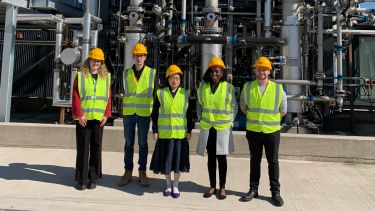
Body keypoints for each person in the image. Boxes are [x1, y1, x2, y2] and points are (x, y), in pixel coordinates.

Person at [239, 56, 287, 206]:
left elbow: (283, 111)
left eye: (264, 69)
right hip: (253, 131)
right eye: (259, 69)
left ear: (269, 71)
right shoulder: (247, 87)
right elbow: (243, 107)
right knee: (255, 161)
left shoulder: (278, 89)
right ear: (255, 71)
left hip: (271, 131)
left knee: (273, 162)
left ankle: (275, 192)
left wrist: (268, 120)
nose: (261, 71)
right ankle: (253, 189)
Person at [196, 56, 237, 200]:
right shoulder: (203, 87)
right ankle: (212, 186)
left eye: (218, 71)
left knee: (222, 158)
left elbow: (233, 107)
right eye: (212, 71)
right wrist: (200, 119)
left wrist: (230, 122)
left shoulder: (228, 87)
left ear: (222, 73)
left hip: (222, 128)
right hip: (208, 128)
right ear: (209, 72)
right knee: (211, 158)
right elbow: (199, 105)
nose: (215, 74)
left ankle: (223, 187)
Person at [149, 64, 194, 198]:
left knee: (178, 162)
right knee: (167, 161)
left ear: (180, 80)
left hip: (180, 135)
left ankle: (176, 186)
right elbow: (155, 114)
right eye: (172, 78)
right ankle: (168, 185)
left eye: (177, 78)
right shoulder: (160, 93)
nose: (175, 80)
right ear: (168, 79)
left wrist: (189, 131)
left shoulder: (185, 93)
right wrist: (155, 130)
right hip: (165, 135)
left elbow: (189, 115)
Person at [117, 43, 157, 187]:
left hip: (144, 114)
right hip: (128, 113)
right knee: (128, 143)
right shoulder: (125, 73)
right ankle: (128, 172)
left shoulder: (152, 73)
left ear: (145, 57)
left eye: (142, 55)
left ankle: (142, 171)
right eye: (137, 55)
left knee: (142, 143)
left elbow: (155, 96)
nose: (139, 58)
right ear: (133, 57)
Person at [72, 48, 111, 190]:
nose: (96, 62)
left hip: (99, 119)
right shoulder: (81, 76)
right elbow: (75, 96)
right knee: (83, 149)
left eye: (99, 60)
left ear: (102, 62)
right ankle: (82, 179)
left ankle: (93, 178)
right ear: (89, 60)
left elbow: (108, 97)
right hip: (84, 118)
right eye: (94, 60)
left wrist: (107, 114)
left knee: (96, 148)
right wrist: (79, 115)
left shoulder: (106, 77)